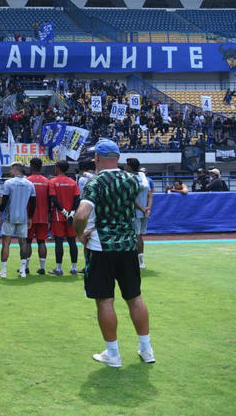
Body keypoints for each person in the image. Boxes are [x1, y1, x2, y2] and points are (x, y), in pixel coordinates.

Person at [73, 139, 154, 368]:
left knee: (105, 301)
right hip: (127, 245)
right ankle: (146, 349)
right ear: (117, 157)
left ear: (97, 158)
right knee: (134, 297)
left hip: (102, 247)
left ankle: (113, 354)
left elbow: (81, 215)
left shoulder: (95, 183)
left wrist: (80, 234)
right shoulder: (132, 180)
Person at [0, 162, 35, 279]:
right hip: (23, 217)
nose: (10, 171)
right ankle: (23, 270)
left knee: (6, 243)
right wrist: (30, 217)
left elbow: (4, 200)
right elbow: (33, 202)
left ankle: (4, 272)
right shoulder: (29, 184)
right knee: (23, 243)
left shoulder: (9, 182)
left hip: (10, 216)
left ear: (15, 169)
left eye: (11, 169)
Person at [49, 160, 80, 275]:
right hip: (71, 217)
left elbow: (53, 198)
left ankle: (59, 268)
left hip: (58, 216)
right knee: (72, 241)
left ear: (57, 168)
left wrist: (63, 211)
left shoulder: (52, 182)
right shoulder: (73, 182)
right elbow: (77, 199)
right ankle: (74, 268)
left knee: (59, 242)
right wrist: (71, 212)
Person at [126, 158, 153, 270]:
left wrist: (144, 209)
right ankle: (140, 261)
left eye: (127, 165)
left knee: (135, 236)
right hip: (143, 211)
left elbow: (131, 197)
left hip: (135, 211)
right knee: (139, 236)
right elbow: (150, 194)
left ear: (130, 167)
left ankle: (137, 261)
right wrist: (147, 209)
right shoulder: (143, 176)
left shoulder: (128, 177)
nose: (125, 167)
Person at [26, 158, 50, 275]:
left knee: (28, 242)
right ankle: (42, 267)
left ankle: (25, 267)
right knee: (41, 242)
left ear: (31, 167)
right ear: (41, 167)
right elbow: (50, 200)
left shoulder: (27, 181)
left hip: (29, 217)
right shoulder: (47, 182)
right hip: (43, 216)